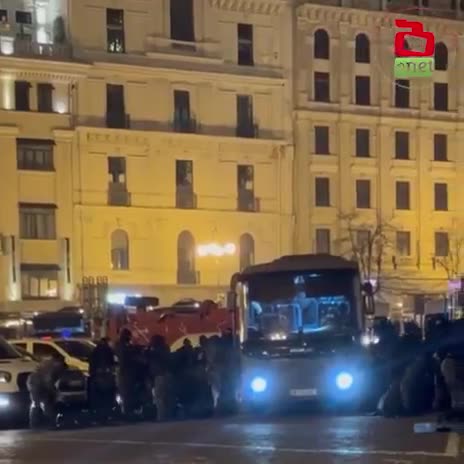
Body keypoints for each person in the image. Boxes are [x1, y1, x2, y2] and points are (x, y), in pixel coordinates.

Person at [27, 354, 68, 428]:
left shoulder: (51, 364)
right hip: (36, 383)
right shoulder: (52, 367)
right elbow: (48, 381)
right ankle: (41, 422)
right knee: (41, 402)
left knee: (42, 402)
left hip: (35, 382)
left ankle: (38, 422)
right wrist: (54, 392)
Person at [147, 335, 175, 420]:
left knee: (159, 397)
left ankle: (161, 417)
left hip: (160, 376)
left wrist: (148, 347)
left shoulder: (156, 351)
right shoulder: (165, 348)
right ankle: (170, 416)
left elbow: (148, 356)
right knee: (168, 397)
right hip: (168, 375)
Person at [88, 338, 117, 421]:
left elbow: (91, 363)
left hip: (97, 377)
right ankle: (106, 416)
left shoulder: (95, 351)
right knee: (107, 397)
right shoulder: (107, 350)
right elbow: (112, 362)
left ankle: (99, 416)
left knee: (99, 398)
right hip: (105, 377)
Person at [115, 328, 139, 419]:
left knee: (127, 394)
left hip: (125, 374)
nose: (130, 338)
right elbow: (126, 358)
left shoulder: (121, 345)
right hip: (125, 374)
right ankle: (127, 414)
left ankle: (128, 412)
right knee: (126, 394)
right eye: (129, 336)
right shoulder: (122, 346)